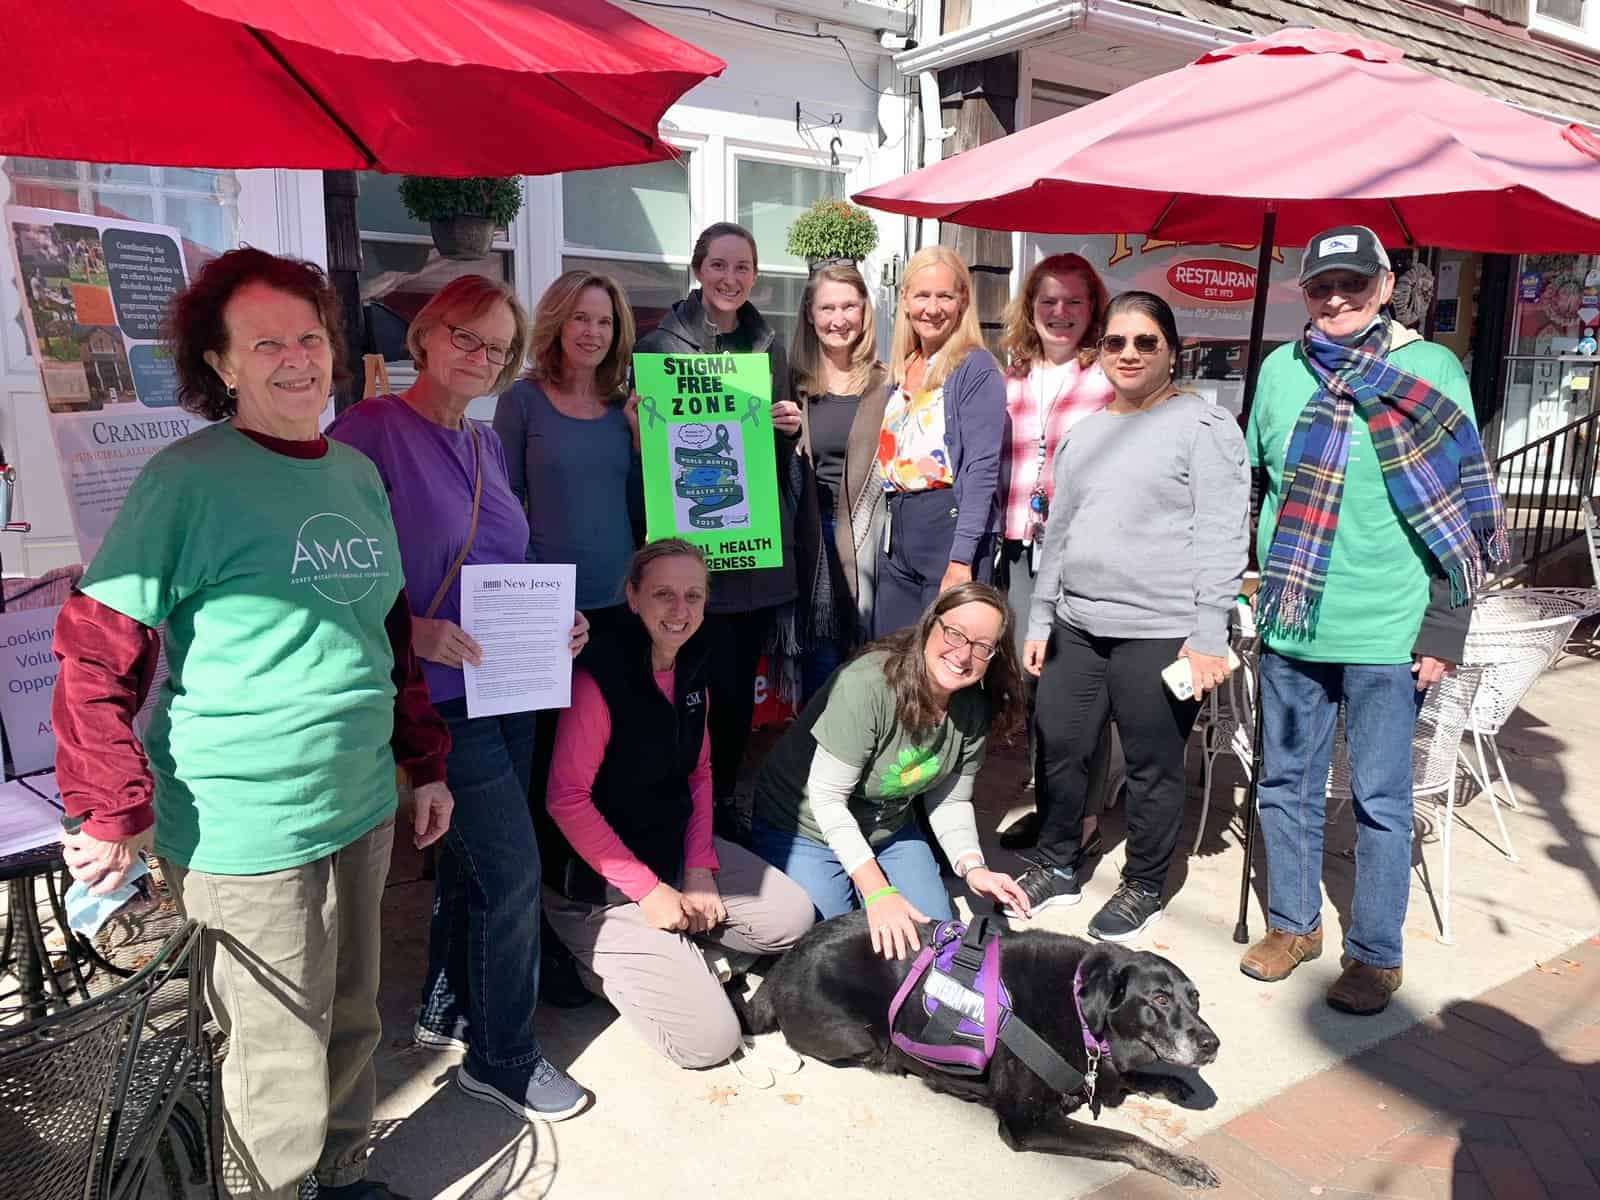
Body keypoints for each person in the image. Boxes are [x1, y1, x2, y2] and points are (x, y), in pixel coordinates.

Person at [54, 248, 453, 1200]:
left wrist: (424, 760)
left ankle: (342, 1171)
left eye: (309, 336)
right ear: (221, 365)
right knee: (274, 1046)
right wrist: (109, 804)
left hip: (359, 799)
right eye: (264, 341)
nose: (295, 358)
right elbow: (97, 645)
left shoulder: (354, 472)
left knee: (355, 1013)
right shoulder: (186, 479)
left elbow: (385, 634)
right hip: (242, 825)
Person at [328, 274, 591, 1121]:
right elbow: (335, 570)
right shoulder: (369, 431)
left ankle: (449, 1007)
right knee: (511, 872)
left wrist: (560, 621)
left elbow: (500, 566)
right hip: (436, 701)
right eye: (466, 338)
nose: (481, 357)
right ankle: (504, 1058)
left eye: (497, 347)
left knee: (472, 867)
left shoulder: (482, 445)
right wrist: (413, 628)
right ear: (427, 338)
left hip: (509, 684)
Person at [1240, 225, 1505, 1015]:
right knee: (1284, 785)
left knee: (1382, 800)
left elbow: (1461, 505)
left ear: (1386, 288)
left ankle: (1376, 954)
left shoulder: (1430, 370)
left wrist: (1442, 629)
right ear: (1305, 294)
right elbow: (1258, 484)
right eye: (1322, 286)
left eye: (1354, 284)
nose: (1336, 298)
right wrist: (1250, 577)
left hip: (1389, 630)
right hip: (1293, 624)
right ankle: (1293, 925)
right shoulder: (1281, 372)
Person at [1017, 291, 1249, 942]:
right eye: (1116, 341)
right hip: (1077, 625)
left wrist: (1208, 634)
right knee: (1060, 746)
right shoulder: (1085, 434)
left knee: (1151, 765)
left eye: (1145, 341)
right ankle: (1059, 860)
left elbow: (1223, 534)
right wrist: (1039, 619)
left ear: (1171, 351)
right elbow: (1058, 532)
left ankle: (1145, 881)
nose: (1129, 353)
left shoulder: (1204, 428)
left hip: (1161, 630)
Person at [541, 539, 815, 1067]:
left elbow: (700, 773)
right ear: (633, 597)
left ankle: (682, 958)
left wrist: (699, 870)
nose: (680, 610)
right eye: (663, 594)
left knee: (792, 918)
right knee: (708, 1042)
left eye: (693, 595)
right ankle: (586, 958)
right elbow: (566, 800)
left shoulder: (692, 664)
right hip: (599, 887)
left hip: (666, 850)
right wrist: (649, 893)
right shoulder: (599, 676)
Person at [750, 582, 1033, 958]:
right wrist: (878, 890)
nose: (964, 655)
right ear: (930, 625)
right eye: (955, 633)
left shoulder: (973, 706)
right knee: (838, 941)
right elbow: (827, 799)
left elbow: (950, 802)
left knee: (931, 937)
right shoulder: (868, 685)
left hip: (889, 825)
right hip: (805, 825)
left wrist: (972, 867)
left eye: (982, 646)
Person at [634, 222, 803, 832]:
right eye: (719, 265)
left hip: (748, 558)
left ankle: (725, 798)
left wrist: (789, 428)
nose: (731, 278)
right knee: (677, 683)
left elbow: (774, 462)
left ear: (755, 276)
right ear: (698, 270)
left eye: (743, 268)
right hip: (684, 556)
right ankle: (673, 799)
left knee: (732, 695)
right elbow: (648, 462)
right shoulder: (658, 349)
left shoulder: (769, 348)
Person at [993, 253, 1116, 853]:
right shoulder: (1011, 375)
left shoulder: (1110, 378)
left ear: (1093, 309)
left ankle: (1083, 819)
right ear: (1029, 308)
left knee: (1079, 691)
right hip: (1019, 548)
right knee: (1036, 686)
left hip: (1082, 555)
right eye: (1048, 301)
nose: (1060, 313)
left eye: (1074, 301)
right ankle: (1051, 805)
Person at [872, 245, 1006, 636]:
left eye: (945, 296)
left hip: (947, 527)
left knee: (945, 657)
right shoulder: (903, 368)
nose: (933, 308)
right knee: (892, 654)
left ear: (963, 301)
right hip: (899, 528)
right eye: (922, 295)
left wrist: (961, 558)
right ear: (905, 300)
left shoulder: (975, 368)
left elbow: (982, 469)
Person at [495, 269, 640, 629]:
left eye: (605, 322)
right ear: (558, 322)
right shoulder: (521, 401)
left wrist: (639, 444)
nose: (593, 332)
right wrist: (531, 582)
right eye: (581, 318)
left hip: (620, 597)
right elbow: (503, 503)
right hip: (547, 601)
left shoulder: (624, 410)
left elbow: (639, 512)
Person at [789, 261, 892, 701]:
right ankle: (815, 763)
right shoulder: (790, 385)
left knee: (875, 662)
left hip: (874, 534)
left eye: (849, 306)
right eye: (827, 307)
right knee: (822, 664)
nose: (838, 319)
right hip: (811, 537)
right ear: (810, 314)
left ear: (866, 312)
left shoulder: (890, 385)